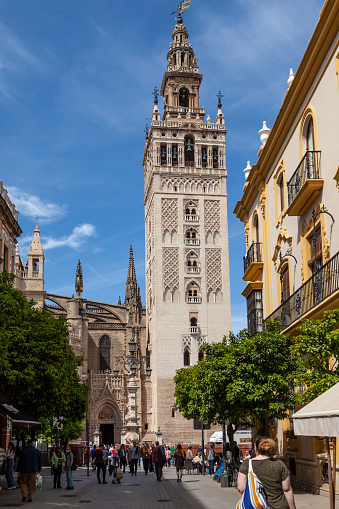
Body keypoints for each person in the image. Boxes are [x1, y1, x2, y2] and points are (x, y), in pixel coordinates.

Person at [238, 436, 296, 509]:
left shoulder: (247, 464)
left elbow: (241, 488)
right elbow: (287, 489)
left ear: (255, 448)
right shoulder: (279, 464)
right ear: (269, 448)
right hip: (279, 506)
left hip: (257, 506)